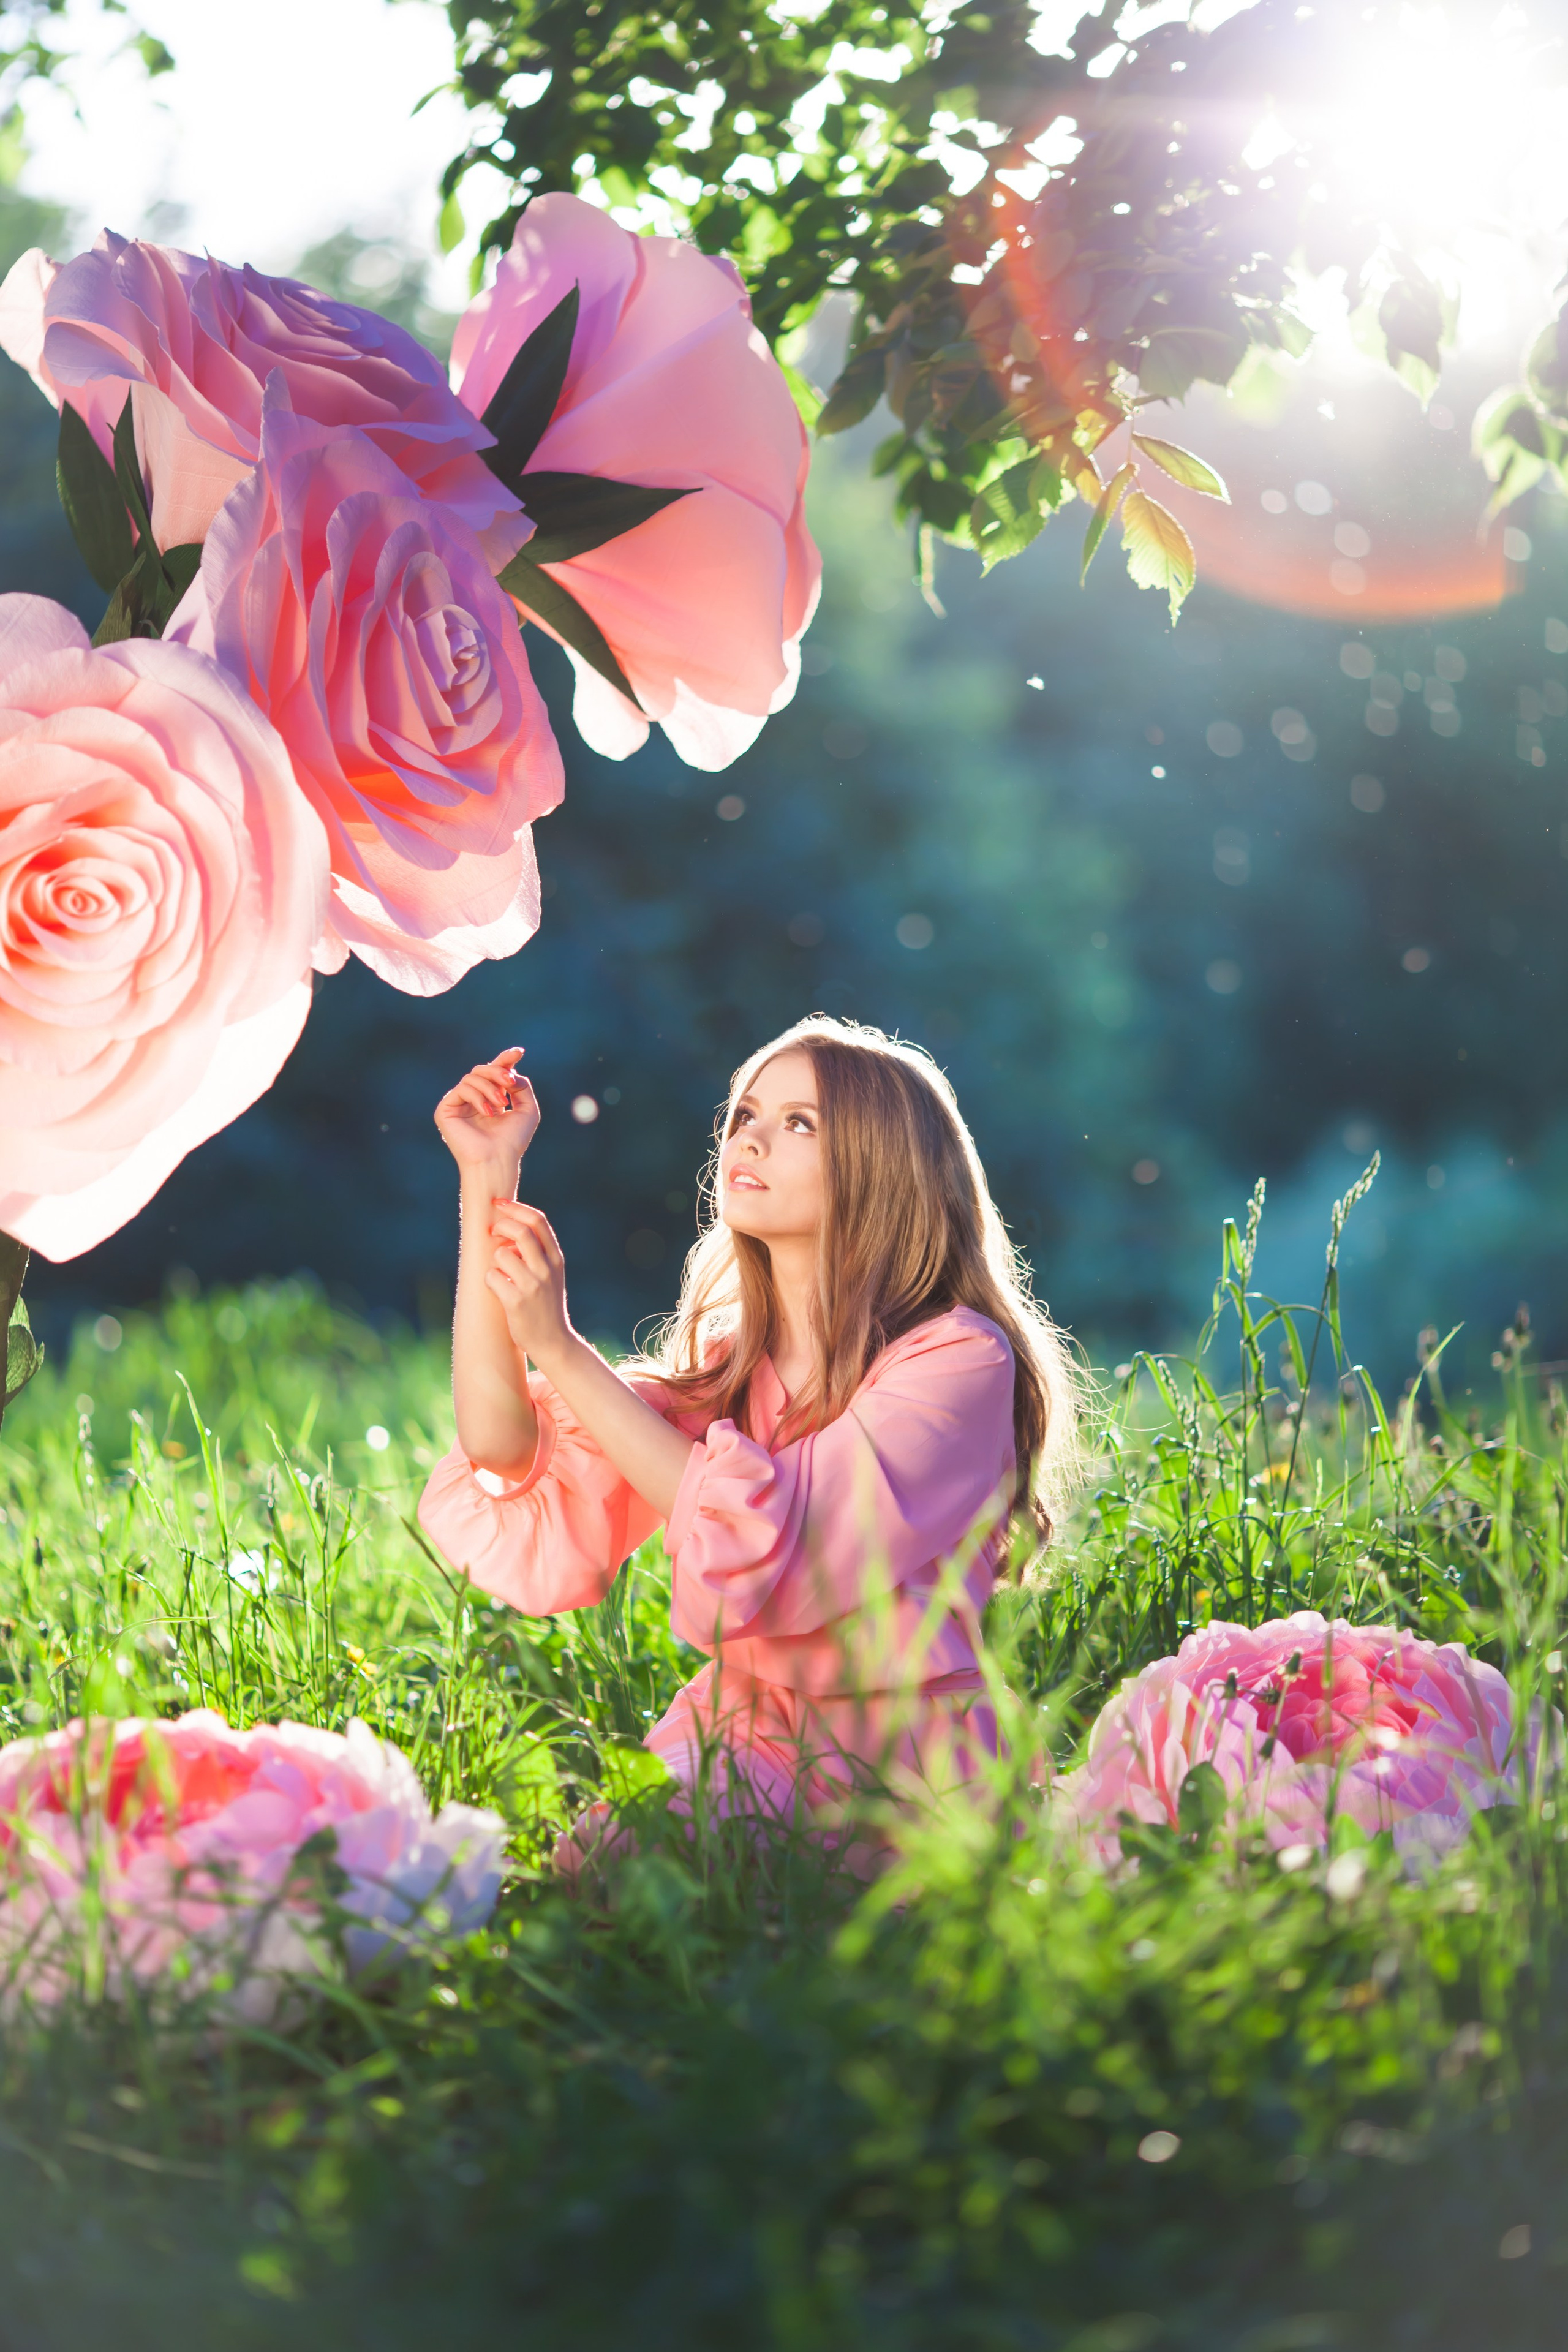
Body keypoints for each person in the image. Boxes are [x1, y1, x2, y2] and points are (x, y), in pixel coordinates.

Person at [417, 1015, 1085, 1869]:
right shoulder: (733, 1371)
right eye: (745, 1116)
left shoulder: (958, 1359)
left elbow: (793, 1551)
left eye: (799, 1123)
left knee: (813, 1928)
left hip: (907, 1760)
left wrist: (561, 1349)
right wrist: (488, 1177)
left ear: (882, 1165)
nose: (751, 1139)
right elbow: (505, 1449)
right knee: (605, 1877)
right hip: (746, 1727)